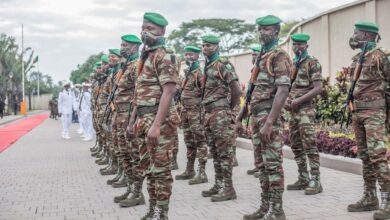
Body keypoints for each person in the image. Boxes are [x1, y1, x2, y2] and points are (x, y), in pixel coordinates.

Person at [238, 15, 292, 220]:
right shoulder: (262, 55)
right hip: (256, 115)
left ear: (276, 32)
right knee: (260, 164)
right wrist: (242, 114)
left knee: (272, 164)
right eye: (260, 29)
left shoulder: (279, 56)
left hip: (269, 116)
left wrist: (270, 121)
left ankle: (277, 210)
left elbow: (283, 90)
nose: (262, 33)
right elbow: (252, 90)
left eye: (267, 29)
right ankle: (265, 206)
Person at [127, 12, 180, 219]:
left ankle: (161, 212)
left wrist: (156, 125)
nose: (145, 31)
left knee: (161, 171)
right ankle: (152, 210)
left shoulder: (164, 55)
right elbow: (139, 94)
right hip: (143, 119)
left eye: (150, 28)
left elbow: (169, 91)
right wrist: (132, 121)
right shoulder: (146, 57)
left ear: (162, 31)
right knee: (148, 168)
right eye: (143, 27)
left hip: (160, 122)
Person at [345, 21, 390, 220]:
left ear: (368, 36)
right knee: (364, 156)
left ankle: (388, 200)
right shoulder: (357, 58)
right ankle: (370, 197)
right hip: (358, 113)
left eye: (357, 33)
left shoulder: (381, 57)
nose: (353, 36)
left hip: (374, 113)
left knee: (378, 156)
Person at [200, 34, 242, 202]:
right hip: (210, 114)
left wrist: (228, 110)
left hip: (220, 113)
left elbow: (237, 91)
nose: (205, 48)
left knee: (224, 153)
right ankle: (219, 184)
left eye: (209, 45)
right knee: (215, 152)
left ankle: (229, 188)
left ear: (216, 47)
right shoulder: (209, 65)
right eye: (203, 45)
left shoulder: (223, 65)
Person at [285, 33, 323, 195]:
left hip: (305, 109)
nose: (297, 47)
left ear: (306, 45)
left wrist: (299, 101)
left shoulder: (312, 63)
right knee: (295, 144)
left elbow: (318, 88)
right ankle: (303, 177)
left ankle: (316, 179)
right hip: (293, 110)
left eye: (300, 45)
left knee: (309, 144)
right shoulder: (291, 63)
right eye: (294, 44)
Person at [175, 45, 208, 185]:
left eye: (191, 55)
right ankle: (190, 170)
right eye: (186, 54)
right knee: (189, 142)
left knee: (200, 141)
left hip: (196, 112)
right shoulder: (187, 74)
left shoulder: (199, 74)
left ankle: (202, 172)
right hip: (185, 112)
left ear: (197, 56)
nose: (188, 57)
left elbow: (205, 93)